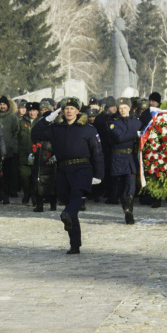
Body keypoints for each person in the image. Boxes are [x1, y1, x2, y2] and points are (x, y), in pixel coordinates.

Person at [32, 97, 104, 254]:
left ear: (78, 111)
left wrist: (98, 174)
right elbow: (35, 132)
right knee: (70, 207)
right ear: (62, 111)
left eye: (72, 108)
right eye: (66, 109)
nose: (69, 111)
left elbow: (97, 153)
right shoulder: (56, 128)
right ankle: (75, 244)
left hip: (82, 168)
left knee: (75, 201)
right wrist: (49, 117)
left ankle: (67, 216)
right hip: (63, 170)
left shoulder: (88, 129)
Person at [107, 97, 142, 224]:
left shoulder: (137, 122)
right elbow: (119, 137)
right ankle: (126, 208)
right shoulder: (113, 122)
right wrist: (135, 134)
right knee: (121, 187)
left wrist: (131, 133)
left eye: (125, 108)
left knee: (131, 185)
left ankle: (129, 210)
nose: (122, 110)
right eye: (120, 108)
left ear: (130, 108)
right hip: (118, 157)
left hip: (131, 157)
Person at [0, 96, 20, 203]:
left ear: (8, 106)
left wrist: (13, 146)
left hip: (9, 150)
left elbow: (16, 132)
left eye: (4, 104)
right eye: (0, 104)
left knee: (8, 173)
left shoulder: (13, 117)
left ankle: (6, 194)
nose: (2, 106)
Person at [17, 102, 40, 205]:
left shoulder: (41, 122)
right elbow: (16, 137)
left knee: (35, 178)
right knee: (24, 176)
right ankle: (27, 194)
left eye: (34, 111)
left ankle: (35, 197)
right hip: (23, 155)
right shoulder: (22, 122)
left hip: (37, 155)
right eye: (30, 111)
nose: (32, 113)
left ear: (37, 111)